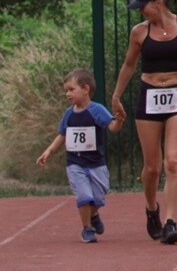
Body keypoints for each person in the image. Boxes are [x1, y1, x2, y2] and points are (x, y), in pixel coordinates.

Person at [110, 0, 177, 244]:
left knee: (173, 162)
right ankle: (152, 210)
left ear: (159, 3)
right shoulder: (139, 32)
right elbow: (129, 65)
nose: (141, 11)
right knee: (152, 168)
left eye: (144, 7)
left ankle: (171, 222)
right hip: (150, 96)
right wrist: (116, 96)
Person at [36, 68, 124, 243]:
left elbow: (112, 128)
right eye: (66, 91)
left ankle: (94, 214)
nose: (68, 94)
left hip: (96, 163)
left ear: (85, 89)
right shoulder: (68, 114)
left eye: (71, 89)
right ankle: (87, 229)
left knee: (98, 197)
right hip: (75, 163)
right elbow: (62, 135)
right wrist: (49, 151)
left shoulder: (97, 110)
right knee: (84, 196)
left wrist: (119, 119)